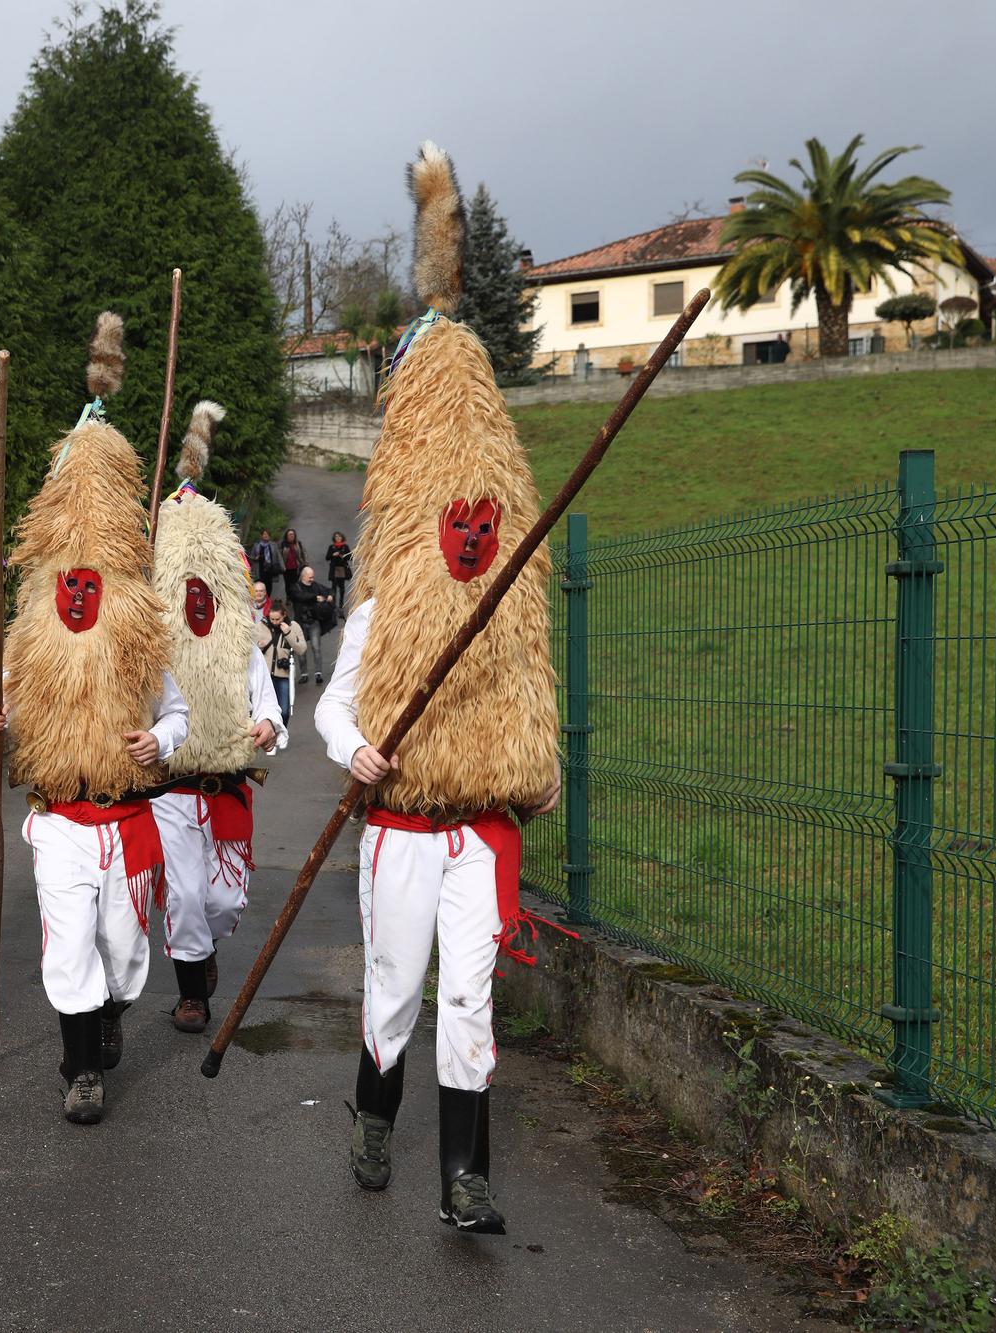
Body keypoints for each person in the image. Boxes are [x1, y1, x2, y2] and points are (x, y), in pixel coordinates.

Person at [315, 143, 563, 1237]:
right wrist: (354, 750)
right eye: (453, 523)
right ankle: (373, 1117)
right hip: (402, 832)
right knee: (392, 987)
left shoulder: (513, 616)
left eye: (482, 522)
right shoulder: (380, 616)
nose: (470, 536)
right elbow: (332, 709)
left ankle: (466, 1178)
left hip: (479, 836)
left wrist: (543, 775)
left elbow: (535, 717)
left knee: (466, 998)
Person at [0, 311, 189, 1127]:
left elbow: (178, 712)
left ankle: (110, 1012)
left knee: (124, 956)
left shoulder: (140, 631)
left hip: (127, 820)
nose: (78, 591)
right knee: (69, 948)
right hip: (60, 820)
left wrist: (158, 739)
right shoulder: (29, 633)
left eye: (90, 581)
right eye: (70, 579)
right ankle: (82, 1066)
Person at [150, 400, 285, 1034]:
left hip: (227, 786)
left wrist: (268, 727)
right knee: (182, 894)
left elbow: (268, 701)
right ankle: (191, 994)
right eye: (187, 587)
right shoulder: (153, 645)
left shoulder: (238, 641)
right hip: (172, 790)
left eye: (206, 587)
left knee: (224, 901)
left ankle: (203, 949)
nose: (196, 598)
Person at [259, 601, 305, 725]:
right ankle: (271, 733)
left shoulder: (293, 626)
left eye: (277, 619)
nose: (274, 622)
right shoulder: (261, 626)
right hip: (265, 676)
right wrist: (259, 646)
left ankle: (281, 731)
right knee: (265, 711)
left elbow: (301, 649)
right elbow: (250, 649)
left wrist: (288, 633)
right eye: (272, 619)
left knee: (284, 711)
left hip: (283, 675)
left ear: (284, 615)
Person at [289, 565, 337, 681]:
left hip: (314, 622)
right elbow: (300, 597)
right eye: (310, 577)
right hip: (300, 623)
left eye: (313, 577)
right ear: (303, 576)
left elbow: (330, 590)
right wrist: (316, 597)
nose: (312, 579)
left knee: (316, 648)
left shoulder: (316, 586)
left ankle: (318, 673)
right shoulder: (295, 587)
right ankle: (304, 674)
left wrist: (330, 595)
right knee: (301, 649)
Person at [326, 530, 354, 611]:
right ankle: (333, 603)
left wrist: (343, 556)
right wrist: (333, 555)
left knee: (342, 587)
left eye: (339, 537)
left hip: (342, 569)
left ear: (342, 538)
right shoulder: (331, 547)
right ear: (334, 538)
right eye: (336, 537)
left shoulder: (345, 546)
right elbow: (327, 558)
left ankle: (341, 603)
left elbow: (351, 557)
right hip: (334, 569)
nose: (338, 538)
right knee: (333, 587)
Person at [279, 527, 307, 600]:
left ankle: (294, 598)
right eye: (290, 534)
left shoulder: (298, 544)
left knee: (295, 583)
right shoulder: (283, 544)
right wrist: (281, 566)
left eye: (293, 534)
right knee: (288, 584)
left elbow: (304, 554)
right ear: (286, 536)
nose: (291, 536)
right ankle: (288, 598)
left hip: (296, 567)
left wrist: (305, 564)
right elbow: (279, 556)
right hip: (286, 568)